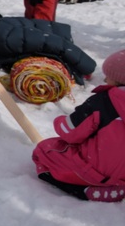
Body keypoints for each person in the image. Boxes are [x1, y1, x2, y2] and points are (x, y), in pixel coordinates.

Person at [32, 48, 125, 202]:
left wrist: (60, 121)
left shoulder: (102, 102)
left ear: (118, 79)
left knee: (44, 150)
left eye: (108, 76)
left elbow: (69, 132)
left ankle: (83, 190)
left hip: (95, 171)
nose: (104, 80)